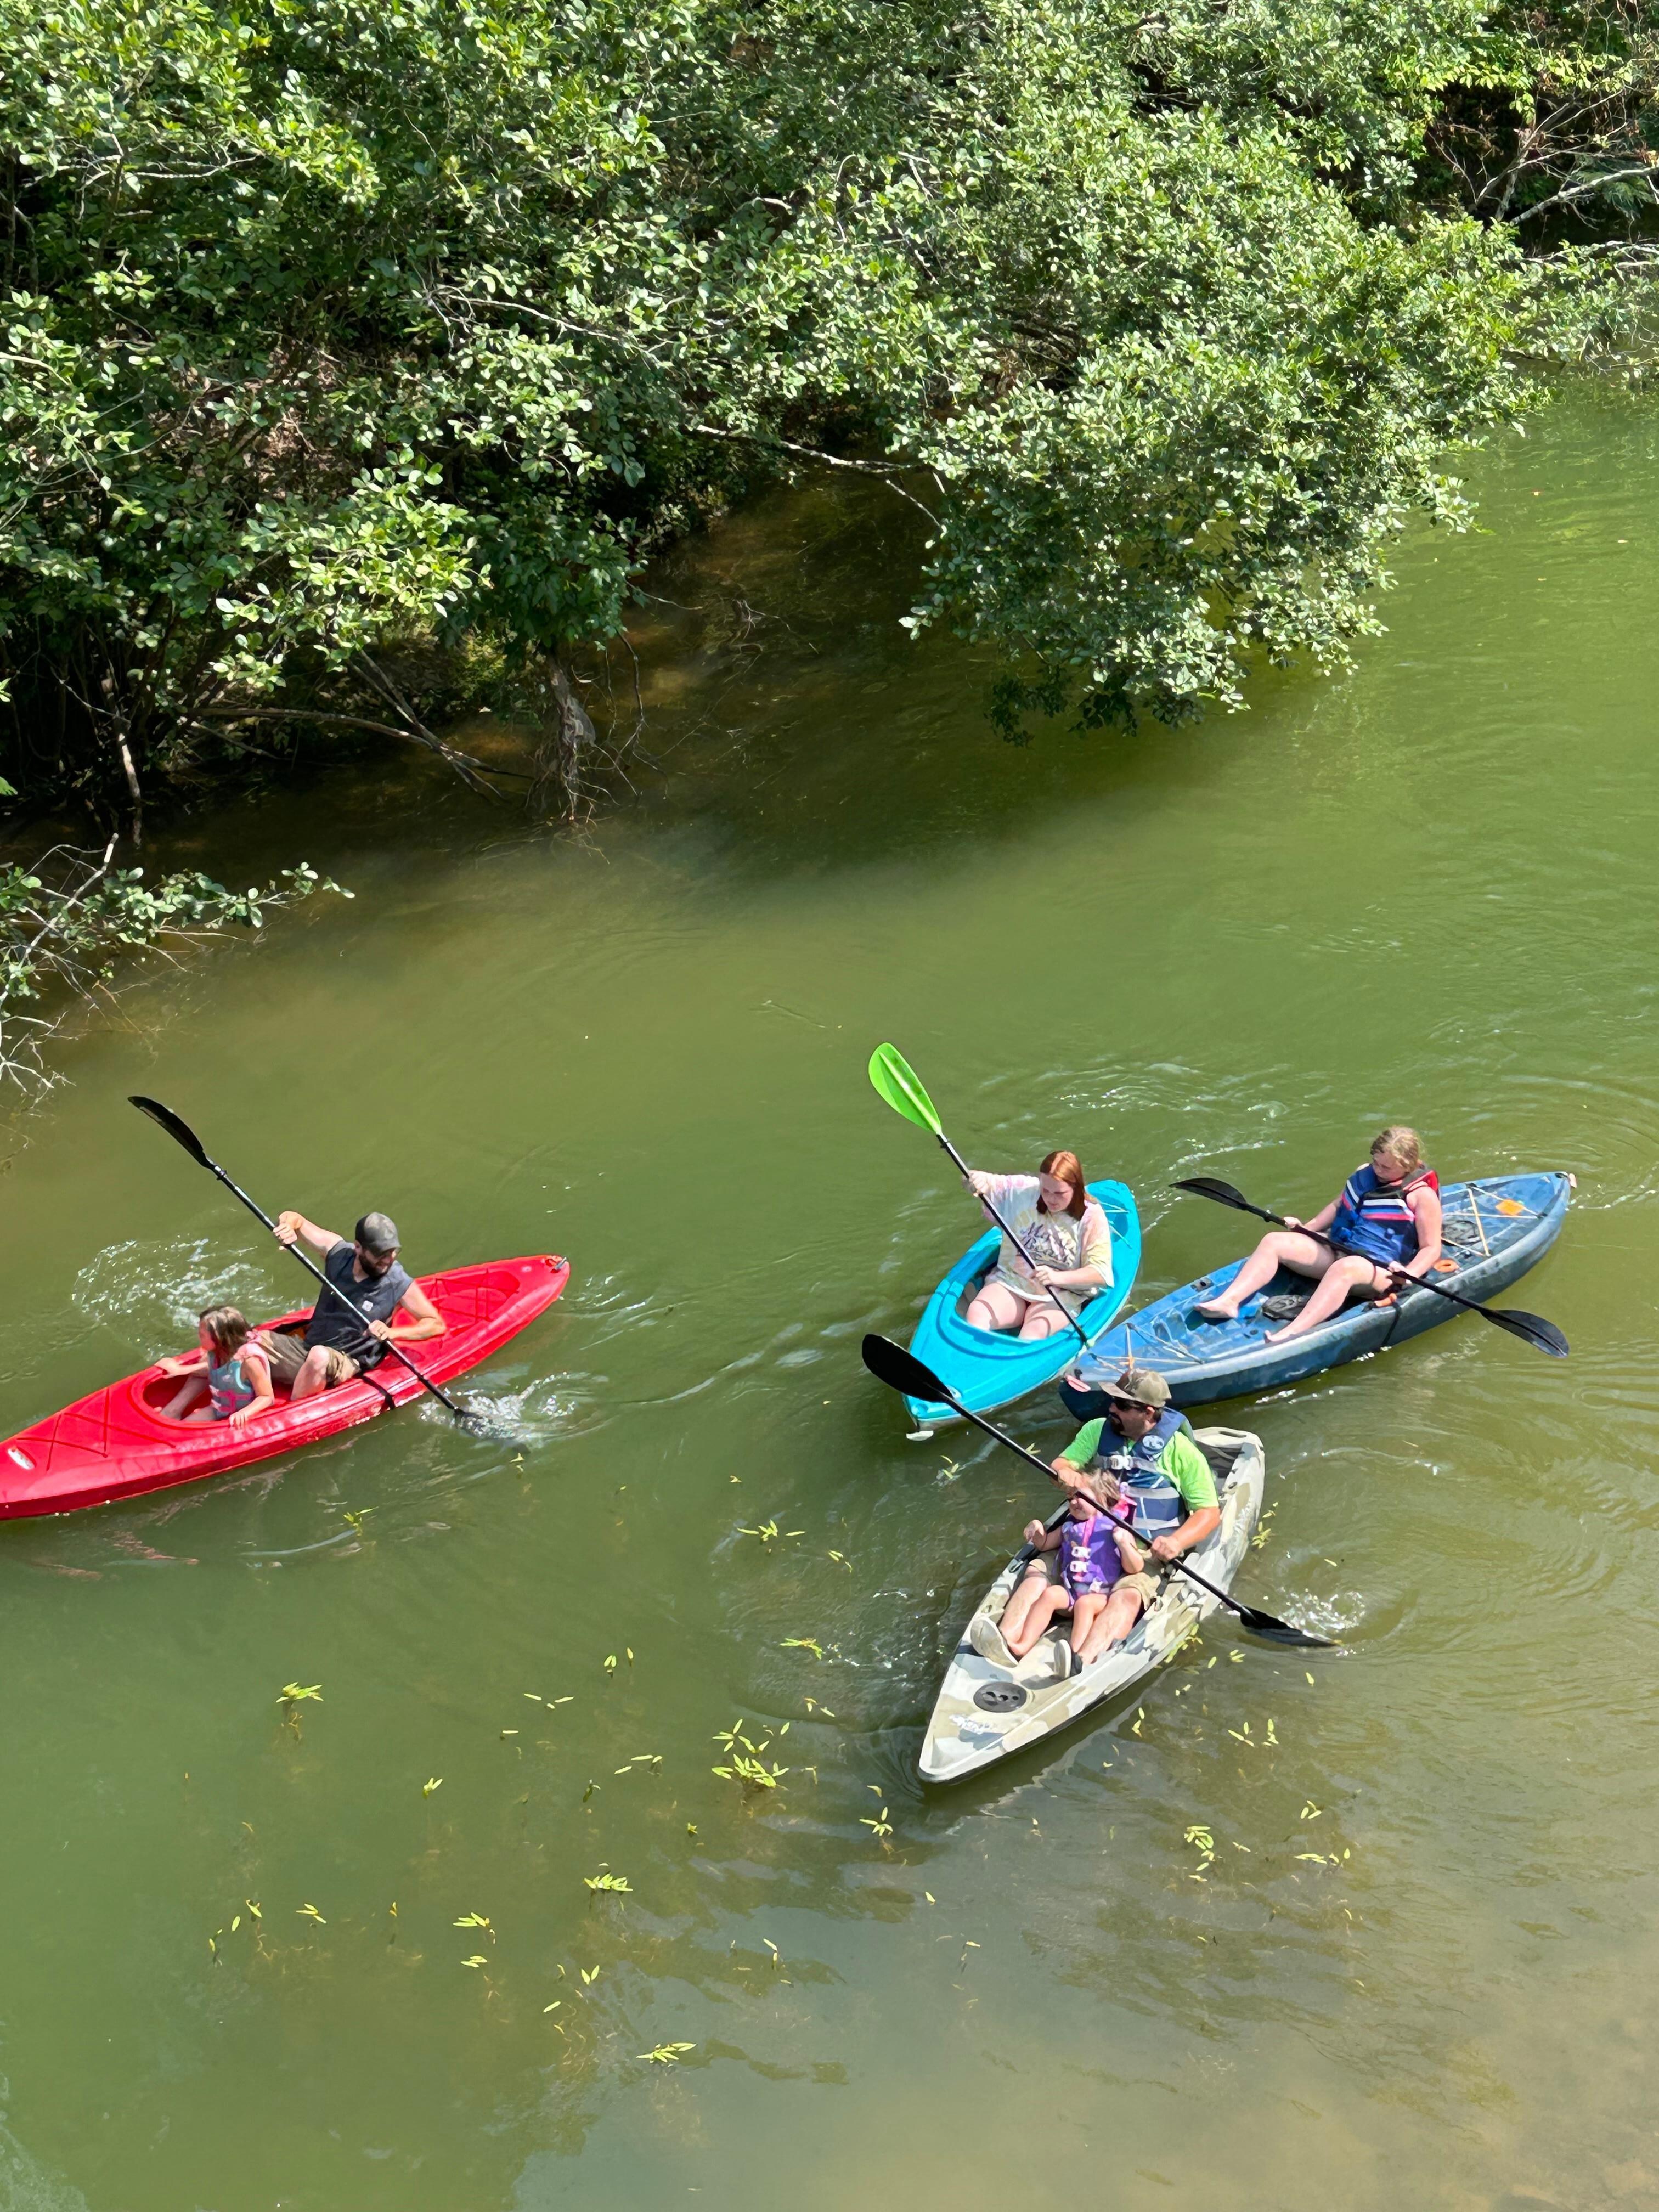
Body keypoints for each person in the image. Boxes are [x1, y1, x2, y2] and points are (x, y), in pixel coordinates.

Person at [973, 1367, 1221, 1678]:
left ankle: (1082, 1661)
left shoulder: (1181, 1452)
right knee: (1038, 1569)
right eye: (1112, 1400)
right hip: (1087, 1535)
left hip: (1141, 1552)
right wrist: (1066, 1474)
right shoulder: (1096, 1430)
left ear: (1148, 1412)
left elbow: (1208, 1512)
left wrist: (1176, 1543)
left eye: (1121, 1405)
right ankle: (1005, 1642)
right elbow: (1063, 1464)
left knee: (1129, 1596)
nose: (1111, 1408)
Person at [1190, 1125, 1443, 1345]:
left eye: (1386, 1167)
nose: (1378, 1169)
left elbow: (1431, 1248)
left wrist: (1409, 1274)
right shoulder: (1365, 1172)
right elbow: (1338, 1206)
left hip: (1380, 1271)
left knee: (1345, 1267)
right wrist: (1307, 1228)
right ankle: (1229, 1301)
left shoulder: (1421, 1196)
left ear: (1407, 1164)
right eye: (1376, 1161)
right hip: (1337, 1248)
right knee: (1274, 1241)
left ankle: (1294, 1332)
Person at [257, 1209, 444, 1402]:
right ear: (358, 1248)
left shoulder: (397, 1281)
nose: (388, 1260)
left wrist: (393, 1334)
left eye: (392, 1252)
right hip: (308, 1346)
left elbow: (435, 1324)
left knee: (319, 1356)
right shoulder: (338, 1253)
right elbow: (296, 1219)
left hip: (347, 1360)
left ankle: (293, 1411)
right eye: (380, 1254)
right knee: (252, 1341)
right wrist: (287, 1226)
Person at [961, 1150, 1113, 1341]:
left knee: (1032, 1335)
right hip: (1012, 1281)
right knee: (977, 1313)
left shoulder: (1091, 1217)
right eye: (1046, 1190)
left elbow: (1100, 1274)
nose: (1051, 1199)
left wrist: (1056, 1277)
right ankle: (976, 1363)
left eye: (1059, 1193)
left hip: (1060, 1295)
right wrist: (975, 1180)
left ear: (1076, 1188)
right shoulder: (1024, 1190)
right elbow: (984, 1181)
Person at [157, 1305, 276, 1427]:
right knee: (183, 1427)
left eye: (202, 1335)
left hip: (246, 1414)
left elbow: (267, 1397)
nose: (199, 1337)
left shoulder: (249, 1362)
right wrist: (180, 1370)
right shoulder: (215, 1354)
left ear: (219, 1339)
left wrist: (245, 1413)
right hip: (220, 1409)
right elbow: (211, 1369)